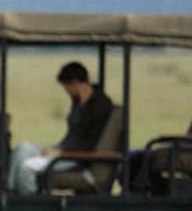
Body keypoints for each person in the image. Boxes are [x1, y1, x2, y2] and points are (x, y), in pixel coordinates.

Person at [8, 61, 114, 194]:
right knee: (22, 149)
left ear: (75, 82)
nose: (66, 91)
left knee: (26, 168)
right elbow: (72, 134)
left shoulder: (100, 106)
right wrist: (56, 148)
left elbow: (90, 144)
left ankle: (31, 205)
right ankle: (9, 191)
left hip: (76, 157)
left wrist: (59, 154)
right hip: (64, 149)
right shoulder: (78, 101)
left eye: (66, 86)